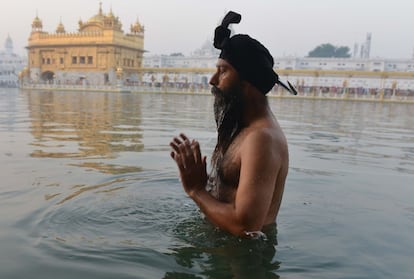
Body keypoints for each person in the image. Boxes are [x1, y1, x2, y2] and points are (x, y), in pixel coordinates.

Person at [170, 11, 296, 238]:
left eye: (223, 71)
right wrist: (201, 180)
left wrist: (196, 190)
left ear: (248, 84)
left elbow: (246, 227)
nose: (212, 80)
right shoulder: (243, 129)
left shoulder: (262, 138)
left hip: (242, 266)